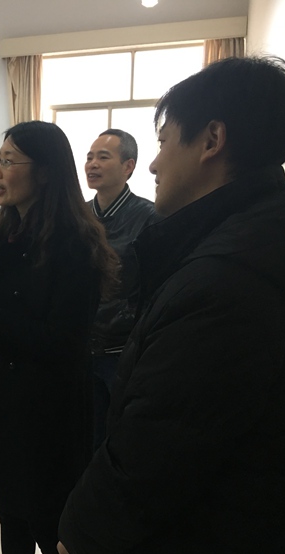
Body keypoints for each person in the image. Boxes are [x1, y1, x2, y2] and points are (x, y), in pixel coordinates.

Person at [57, 56, 285, 554]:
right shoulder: (276, 234)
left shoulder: (223, 282)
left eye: (163, 143)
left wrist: (78, 533)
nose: (156, 164)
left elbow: (153, 457)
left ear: (212, 140)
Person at [0, 120, 118, 554]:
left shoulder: (74, 244)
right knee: (11, 519)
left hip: (48, 414)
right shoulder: (13, 233)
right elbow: (18, 305)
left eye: (8, 161)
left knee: (51, 529)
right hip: (5, 403)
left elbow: (62, 341)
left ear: (43, 172)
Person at [84, 129, 156, 450]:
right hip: (81, 347)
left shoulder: (150, 217)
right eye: (89, 157)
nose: (92, 164)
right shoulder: (78, 216)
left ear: (128, 166)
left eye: (103, 157)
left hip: (123, 352)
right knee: (85, 438)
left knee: (122, 439)